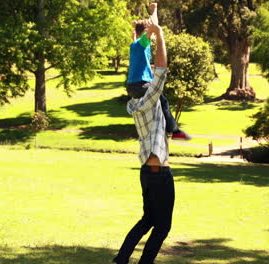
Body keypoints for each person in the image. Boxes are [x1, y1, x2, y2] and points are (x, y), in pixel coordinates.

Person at [113, 16, 175, 264]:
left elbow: (144, 59)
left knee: (148, 220)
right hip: (159, 173)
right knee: (162, 227)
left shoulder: (134, 104)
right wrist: (159, 35)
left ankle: (121, 260)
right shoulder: (150, 99)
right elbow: (161, 69)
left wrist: (154, 14)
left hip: (146, 173)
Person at [126, 3, 191, 141]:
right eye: (150, 33)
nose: (153, 36)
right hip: (141, 85)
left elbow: (141, 34)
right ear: (145, 34)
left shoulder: (135, 44)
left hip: (134, 87)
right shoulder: (142, 43)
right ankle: (174, 131)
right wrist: (155, 10)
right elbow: (154, 26)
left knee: (156, 105)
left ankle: (151, 133)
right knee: (163, 101)